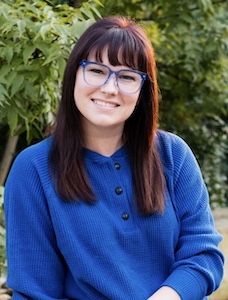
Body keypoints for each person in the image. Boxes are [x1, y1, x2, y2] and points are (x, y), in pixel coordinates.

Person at [4, 16, 224, 300]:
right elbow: (35, 292)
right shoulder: (33, 169)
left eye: (127, 77)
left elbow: (203, 254)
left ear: (142, 90)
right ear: (74, 74)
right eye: (96, 70)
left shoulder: (173, 155)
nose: (109, 88)